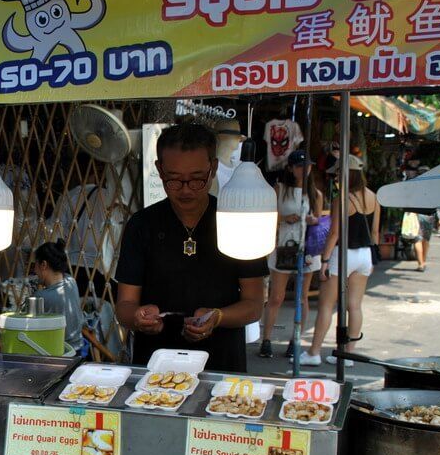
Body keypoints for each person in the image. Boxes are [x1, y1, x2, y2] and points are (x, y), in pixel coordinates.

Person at [115, 121, 267, 372]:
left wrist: (217, 317)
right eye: (173, 180)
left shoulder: (238, 221)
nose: (185, 190)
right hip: (155, 366)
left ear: (214, 168)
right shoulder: (142, 225)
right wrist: (138, 316)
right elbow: (124, 306)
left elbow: (253, 304)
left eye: (197, 179)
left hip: (221, 365)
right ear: (160, 170)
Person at [298, 155, 379, 367]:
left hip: (342, 254)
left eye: (337, 174)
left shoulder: (342, 198)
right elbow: (375, 232)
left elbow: (334, 233)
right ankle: (349, 353)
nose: (335, 178)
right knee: (355, 306)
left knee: (326, 305)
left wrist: (324, 260)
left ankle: (314, 352)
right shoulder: (373, 197)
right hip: (364, 254)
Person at [259, 150, 322, 358]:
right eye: (299, 166)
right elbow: (268, 217)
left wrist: (312, 220)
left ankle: (295, 340)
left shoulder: (315, 193)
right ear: (291, 168)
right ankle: (266, 340)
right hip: (284, 245)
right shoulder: (280, 188)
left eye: (307, 166)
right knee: (276, 296)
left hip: (307, 248)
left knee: (301, 297)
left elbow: (318, 222)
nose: (304, 170)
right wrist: (285, 218)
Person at [33, 240, 84, 353]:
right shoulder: (71, 281)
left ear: (43, 265)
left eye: (35, 265)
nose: (34, 270)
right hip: (79, 347)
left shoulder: (41, 297)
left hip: (60, 352)